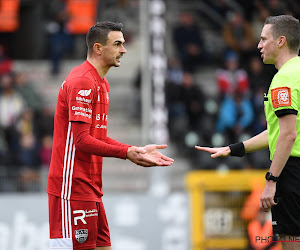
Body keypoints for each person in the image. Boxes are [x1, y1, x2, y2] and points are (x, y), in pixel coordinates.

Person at [47, 21, 174, 250]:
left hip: (91, 187)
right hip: (71, 188)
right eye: (117, 44)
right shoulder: (82, 81)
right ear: (98, 48)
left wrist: (135, 149)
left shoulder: (102, 83)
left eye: (123, 44)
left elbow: (100, 137)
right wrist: (126, 153)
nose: (123, 50)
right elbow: (81, 140)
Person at [196, 15, 300, 250]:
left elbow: (288, 136)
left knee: (292, 243)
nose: (258, 45)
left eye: (264, 39)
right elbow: (278, 131)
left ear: (281, 41)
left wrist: (272, 180)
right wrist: (234, 149)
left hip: (291, 171)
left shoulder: (283, 79)